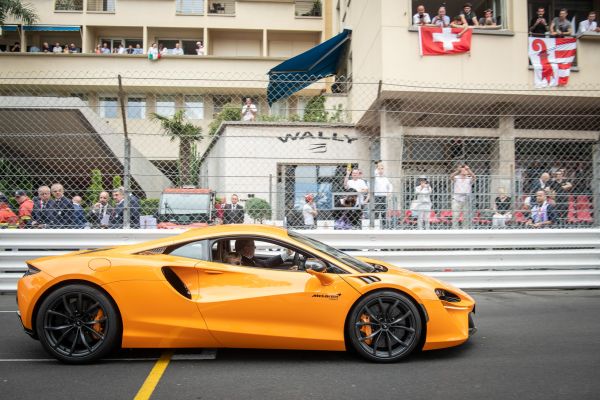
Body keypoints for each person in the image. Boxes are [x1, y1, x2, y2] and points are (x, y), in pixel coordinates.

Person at [451, 164, 476, 229]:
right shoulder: (456, 177)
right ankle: (455, 229)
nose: (465, 171)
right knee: (455, 215)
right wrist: (457, 171)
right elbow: (451, 177)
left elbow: (474, 177)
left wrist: (469, 169)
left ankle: (465, 229)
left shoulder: (469, 178)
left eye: (466, 169)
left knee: (466, 216)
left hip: (466, 200)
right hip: (456, 199)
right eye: (464, 169)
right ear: (461, 170)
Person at [373, 162, 393, 228]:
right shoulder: (375, 177)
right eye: (379, 169)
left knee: (384, 213)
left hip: (384, 197)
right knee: (376, 212)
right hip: (377, 197)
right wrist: (378, 167)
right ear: (377, 169)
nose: (381, 170)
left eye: (382, 169)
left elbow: (390, 186)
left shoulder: (385, 178)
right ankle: (375, 226)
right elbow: (374, 173)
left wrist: (389, 192)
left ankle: (384, 226)